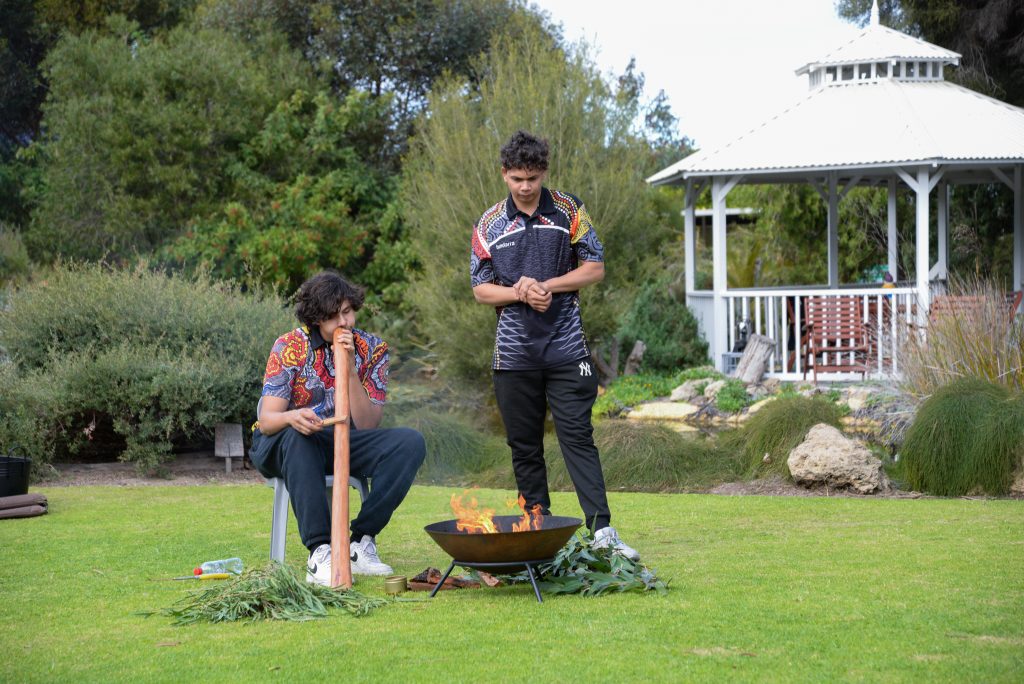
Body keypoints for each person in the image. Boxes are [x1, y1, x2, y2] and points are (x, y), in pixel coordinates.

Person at [469, 130, 640, 560]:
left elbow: (595, 267)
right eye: (515, 178)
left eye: (531, 177)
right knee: (524, 447)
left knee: (578, 438)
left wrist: (546, 285)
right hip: (513, 357)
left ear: (543, 172)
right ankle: (537, 534)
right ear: (504, 174)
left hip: (567, 351)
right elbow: (480, 289)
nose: (524, 186)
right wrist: (522, 292)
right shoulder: (488, 223)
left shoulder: (568, 209)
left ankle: (602, 533)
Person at [250, 271, 425, 584]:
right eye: (334, 317)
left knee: (409, 443)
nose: (344, 323)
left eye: (348, 312)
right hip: (283, 440)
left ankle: (359, 543)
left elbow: (368, 424)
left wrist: (349, 369)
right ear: (317, 319)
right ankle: (321, 552)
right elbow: (268, 420)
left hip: (342, 438)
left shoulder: (373, 349)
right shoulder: (289, 346)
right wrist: (293, 417)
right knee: (298, 435)